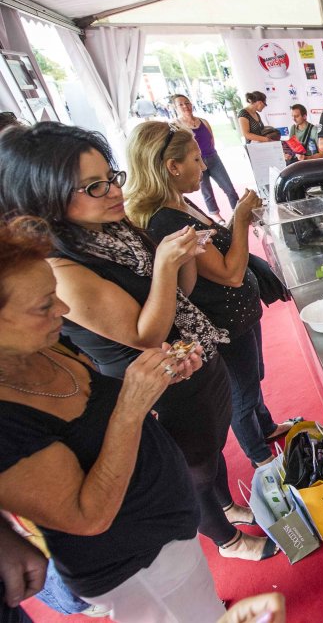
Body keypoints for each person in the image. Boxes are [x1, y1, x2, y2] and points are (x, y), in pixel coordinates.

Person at [0, 123, 277, 562]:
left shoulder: (117, 229)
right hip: (161, 384)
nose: (113, 191)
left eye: (111, 177)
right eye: (94, 186)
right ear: (48, 197)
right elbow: (144, 333)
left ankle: (224, 504)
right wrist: (166, 265)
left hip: (193, 357)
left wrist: (179, 259)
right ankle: (226, 540)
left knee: (212, 446)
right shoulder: (64, 267)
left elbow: (177, 296)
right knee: (194, 469)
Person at [0, 215, 227, 620]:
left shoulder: (38, 348)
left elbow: (94, 421)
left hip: (166, 533)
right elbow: (87, 515)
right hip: (136, 564)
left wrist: (158, 379)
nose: (64, 308)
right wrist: (132, 404)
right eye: (44, 305)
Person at [124, 120, 302, 467]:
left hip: (241, 314)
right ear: (171, 167)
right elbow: (230, 274)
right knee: (243, 395)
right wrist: (238, 219)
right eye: (195, 159)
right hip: (225, 324)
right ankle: (261, 457)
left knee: (254, 379)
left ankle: (265, 429)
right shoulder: (166, 221)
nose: (204, 166)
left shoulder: (181, 204)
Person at [172, 94, 239, 225]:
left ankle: (238, 211)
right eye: (181, 104)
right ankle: (218, 217)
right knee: (206, 190)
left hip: (213, 158)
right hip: (195, 162)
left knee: (228, 187)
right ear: (175, 108)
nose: (185, 106)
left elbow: (211, 139)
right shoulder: (176, 125)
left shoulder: (203, 121)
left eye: (187, 103)